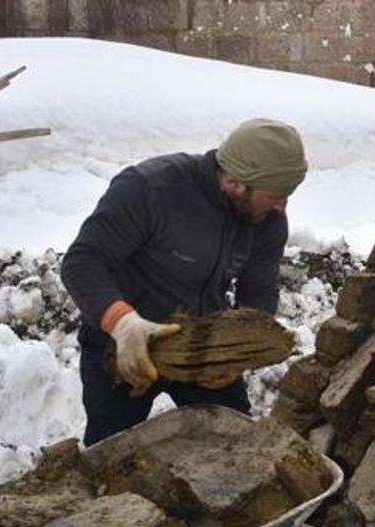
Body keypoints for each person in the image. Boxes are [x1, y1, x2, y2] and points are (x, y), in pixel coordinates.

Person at [61, 118, 306, 446]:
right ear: (235, 182)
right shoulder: (150, 189)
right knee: (112, 453)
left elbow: (258, 290)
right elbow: (83, 261)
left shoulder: (267, 221)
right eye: (276, 195)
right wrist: (122, 323)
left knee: (236, 450)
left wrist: (240, 349)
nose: (283, 206)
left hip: (202, 347)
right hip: (122, 343)